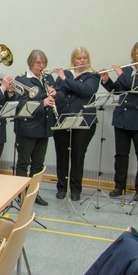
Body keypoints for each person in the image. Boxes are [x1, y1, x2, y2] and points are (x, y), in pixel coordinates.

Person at [100, 41, 138, 202]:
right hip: (123, 119)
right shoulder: (127, 70)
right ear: (133, 55)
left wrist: (121, 74)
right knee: (121, 155)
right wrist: (106, 80)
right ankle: (119, 186)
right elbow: (118, 91)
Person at [53, 47, 100, 201]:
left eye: (84, 58)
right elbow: (58, 92)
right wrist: (55, 92)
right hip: (63, 120)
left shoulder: (93, 76)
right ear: (73, 60)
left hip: (84, 122)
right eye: (79, 58)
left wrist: (66, 81)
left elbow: (86, 91)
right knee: (62, 155)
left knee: (78, 156)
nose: (82, 61)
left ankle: (75, 189)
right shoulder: (65, 74)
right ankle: (61, 187)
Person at [13, 49, 57, 206]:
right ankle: (21, 194)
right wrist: (42, 103)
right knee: (23, 163)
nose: (41, 65)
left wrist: (54, 94)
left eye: (44, 62)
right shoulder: (22, 80)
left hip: (43, 128)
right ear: (31, 63)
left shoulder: (48, 78)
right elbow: (19, 105)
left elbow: (54, 98)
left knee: (38, 165)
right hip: (27, 128)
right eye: (38, 63)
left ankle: (33, 194)